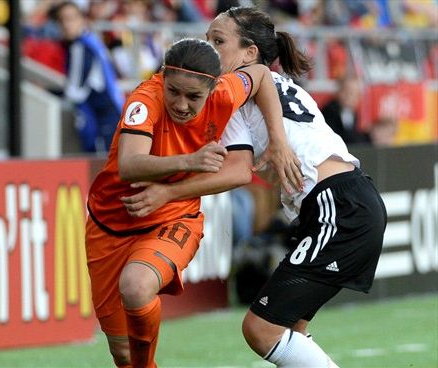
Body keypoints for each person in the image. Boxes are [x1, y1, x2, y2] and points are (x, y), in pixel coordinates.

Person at [120, 7, 387, 367]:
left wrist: (166, 192)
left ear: (250, 54)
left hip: (334, 207)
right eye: (207, 38)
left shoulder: (232, 97)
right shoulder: (285, 87)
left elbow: (237, 173)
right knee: (291, 328)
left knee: (259, 329)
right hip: (345, 200)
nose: (207, 47)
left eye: (218, 41)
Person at [85, 36, 302, 368]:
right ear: (162, 79)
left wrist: (278, 139)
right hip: (108, 226)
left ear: (214, 88)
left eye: (193, 96)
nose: (181, 104)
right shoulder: (144, 99)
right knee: (123, 352)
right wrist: (191, 161)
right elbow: (129, 165)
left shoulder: (227, 90)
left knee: (136, 285)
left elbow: (259, 74)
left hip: (171, 217)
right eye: (174, 91)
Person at [51, 1, 125, 154]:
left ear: (82, 20)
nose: (66, 25)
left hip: (105, 117)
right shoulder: (90, 41)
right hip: (112, 113)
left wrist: (49, 92)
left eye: (70, 19)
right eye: (62, 20)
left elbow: (74, 92)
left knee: (105, 168)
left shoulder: (81, 46)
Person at [320, 75, 371, 145]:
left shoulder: (354, 113)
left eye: (355, 93)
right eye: (347, 91)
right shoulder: (329, 112)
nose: (349, 96)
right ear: (339, 91)